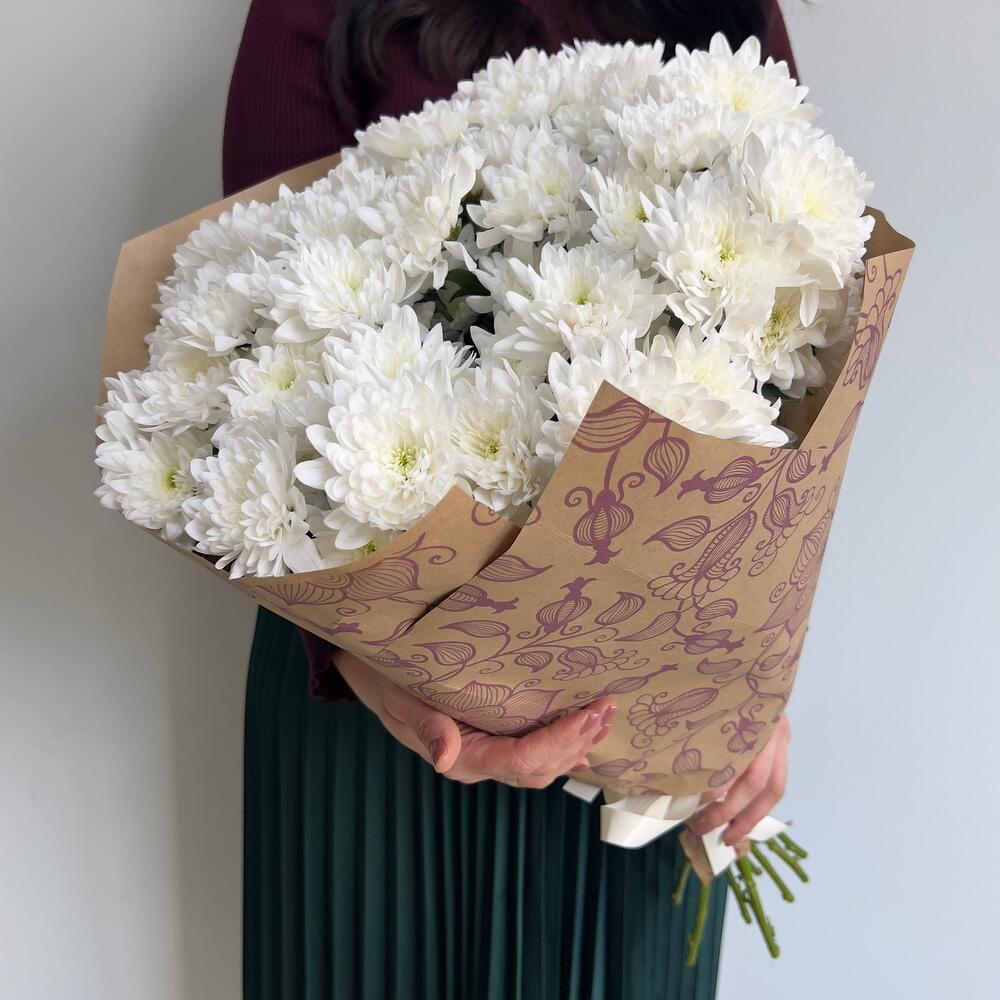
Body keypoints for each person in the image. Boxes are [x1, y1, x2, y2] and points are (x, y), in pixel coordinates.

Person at [224, 3, 795, 997]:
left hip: (640, 713)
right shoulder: (313, 9)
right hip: (368, 703)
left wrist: (752, 673)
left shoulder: (728, 5)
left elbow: (790, 348)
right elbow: (248, 351)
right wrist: (369, 672)